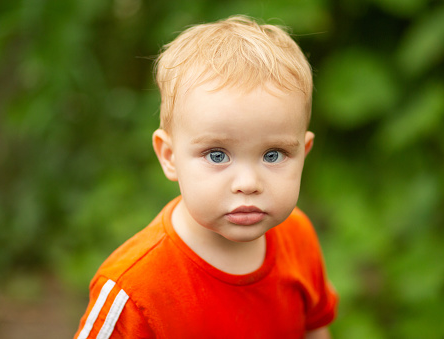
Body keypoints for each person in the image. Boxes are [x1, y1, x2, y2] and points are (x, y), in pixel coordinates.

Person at [74, 15, 338, 339]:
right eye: (217, 155)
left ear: (304, 153)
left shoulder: (298, 238)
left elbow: (315, 330)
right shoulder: (133, 289)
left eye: (273, 155)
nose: (248, 183)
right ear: (169, 157)